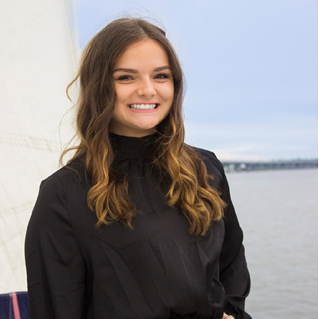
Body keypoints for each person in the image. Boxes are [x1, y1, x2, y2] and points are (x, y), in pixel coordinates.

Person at [25, 18, 252, 319]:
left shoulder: (205, 168)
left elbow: (231, 261)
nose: (148, 90)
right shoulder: (63, 194)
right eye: (126, 78)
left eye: (160, 75)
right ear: (99, 86)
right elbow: (57, 305)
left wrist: (232, 313)